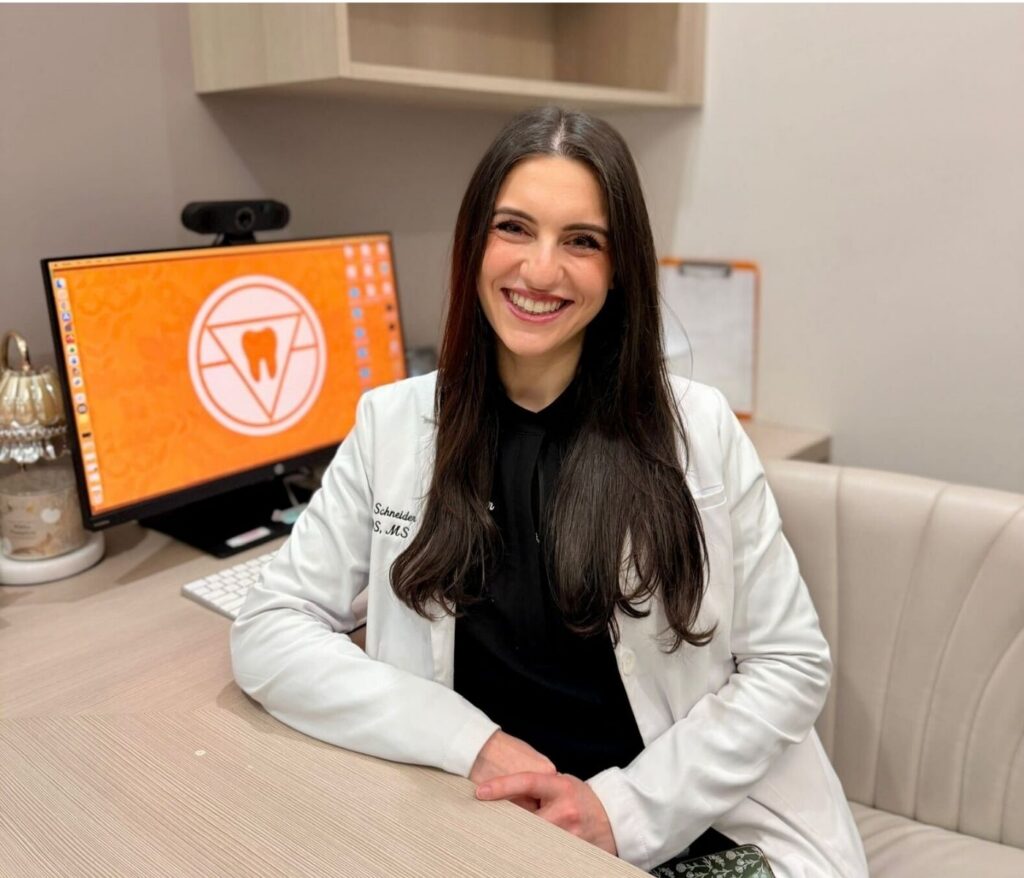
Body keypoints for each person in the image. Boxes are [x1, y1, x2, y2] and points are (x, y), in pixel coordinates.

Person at [231, 107, 868, 877]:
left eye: (582, 241)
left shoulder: (698, 433)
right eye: (513, 228)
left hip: (687, 827)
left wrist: (620, 811)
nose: (539, 270)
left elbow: (789, 664)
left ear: (619, 267)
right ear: (474, 244)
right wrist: (471, 743)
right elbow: (270, 630)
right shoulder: (394, 425)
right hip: (481, 826)